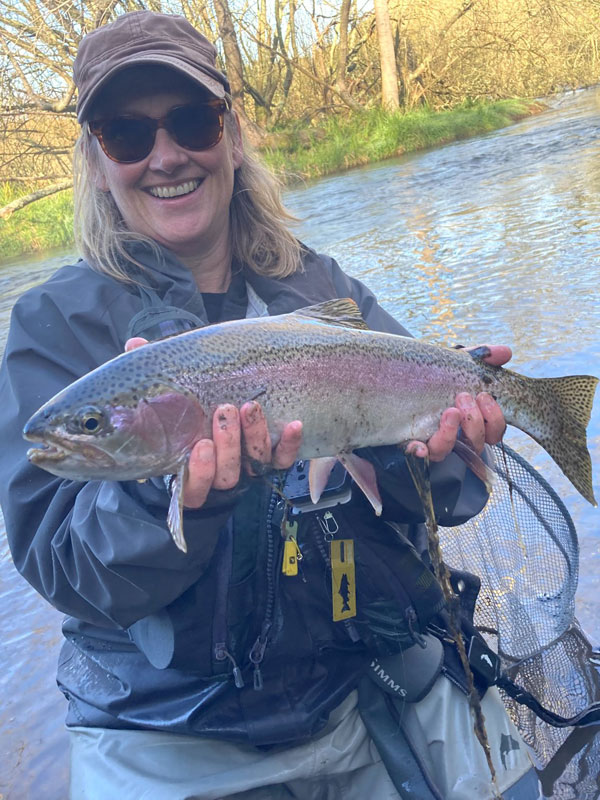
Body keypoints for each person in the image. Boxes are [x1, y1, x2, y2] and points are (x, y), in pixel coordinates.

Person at [0, 11, 541, 800]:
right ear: (97, 158)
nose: (166, 156)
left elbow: (452, 497)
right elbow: (59, 562)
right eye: (127, 134)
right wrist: (173, 502)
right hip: (166, 729)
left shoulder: (321, 291)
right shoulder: (54, 329)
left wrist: (432, 451)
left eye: (192, 121)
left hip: (367, 684)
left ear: (231, 132)